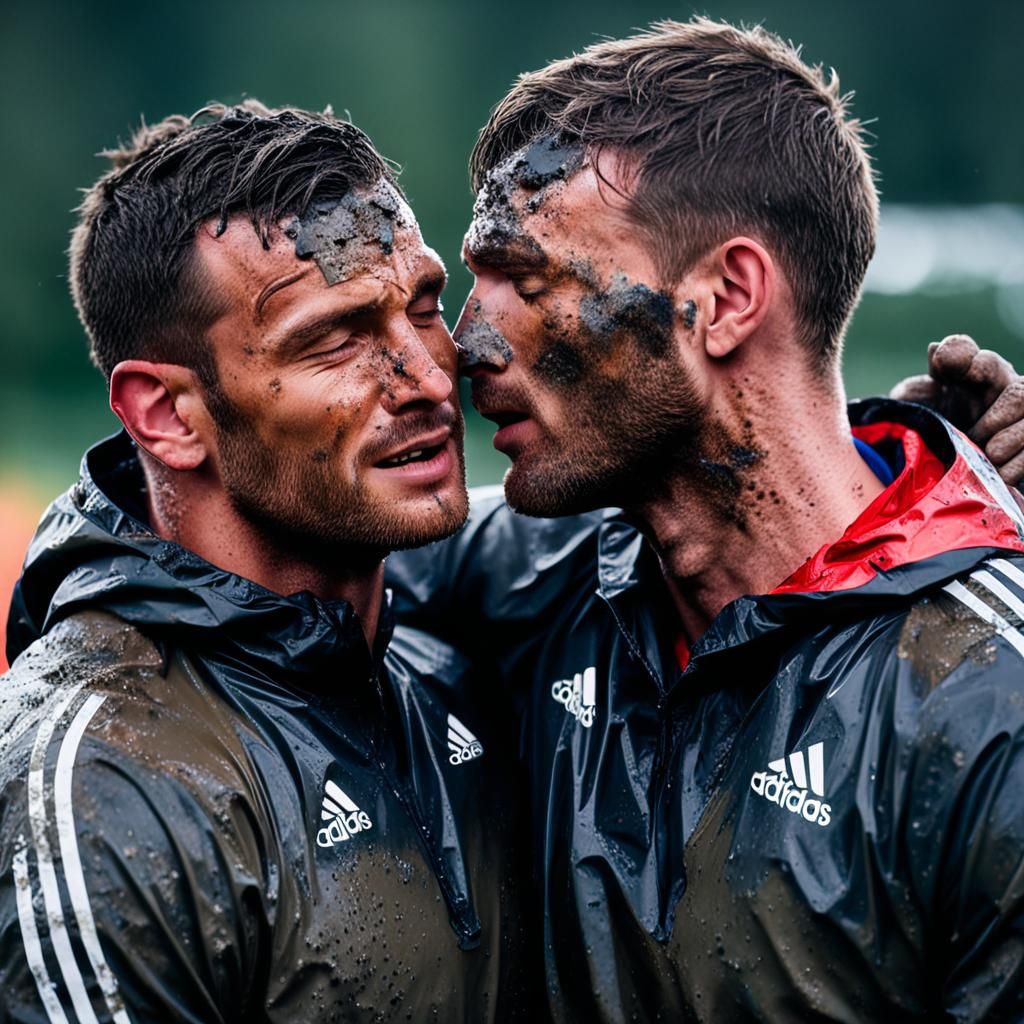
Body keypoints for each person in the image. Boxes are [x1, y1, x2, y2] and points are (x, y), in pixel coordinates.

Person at [388, 18, 1024, 1022]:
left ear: (725, 298)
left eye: (527, 278)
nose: (463, 343)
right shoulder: (533, 567)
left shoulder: (990, 700)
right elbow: (213, 563)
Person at [0, 102, 536, 1023]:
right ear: (167, 417)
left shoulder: (449, 648)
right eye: (336, 338)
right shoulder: (104, 788)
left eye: (423, 307)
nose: (429, 377)